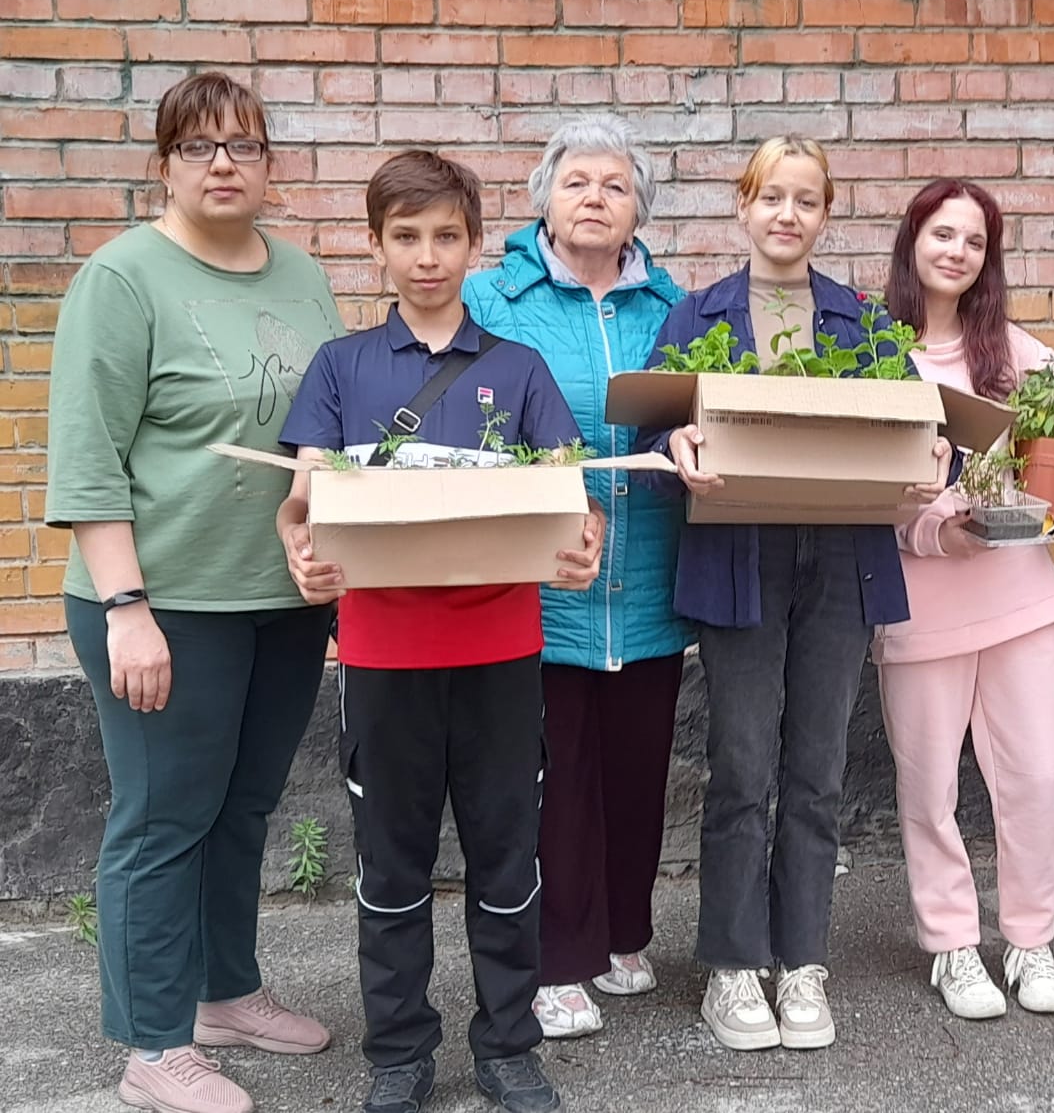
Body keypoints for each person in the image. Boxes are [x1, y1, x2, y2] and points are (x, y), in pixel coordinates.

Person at [277, 150, 603, 1113]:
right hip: (384, 659)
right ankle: (397, 1053)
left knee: (508, 860)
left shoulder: (519, 367)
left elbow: (572, 499)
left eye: (447, 237)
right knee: (392, 868)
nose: (428, 257)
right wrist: (301, 553)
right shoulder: (341, 367)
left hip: (502, 652)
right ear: (376, 247)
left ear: (473, 245)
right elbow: (302, 503)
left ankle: (508, 1044)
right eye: (406, 237)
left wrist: (586, 544)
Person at [44, 72, 344, 1113]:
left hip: (282, 596)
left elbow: (325, 433)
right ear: (164, 163)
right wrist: (126, 608)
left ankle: (225, 991)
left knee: (245, 804)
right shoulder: (123, 279)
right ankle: (151, 1041)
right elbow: (87, 458)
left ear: (270, 165)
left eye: (243, 145)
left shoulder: (303, 276)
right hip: (162, 599)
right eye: (198, 146)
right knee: (163, 816)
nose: (222, 163)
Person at [640, 135, 950, 1051]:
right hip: (739, 558)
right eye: (771, 196)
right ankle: (734, 967)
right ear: (743, 206)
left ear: (825, 214)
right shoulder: (696, 318)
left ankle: (803, 958)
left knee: (816, 772)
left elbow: (924, 423)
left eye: (806, 200)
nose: (787, 215)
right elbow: (656, 435)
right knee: (741, 768)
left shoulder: (860, 320)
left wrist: (943, 454)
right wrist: (674, 449)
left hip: (843, 563)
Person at [464, 116, 693, 1040]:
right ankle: (557, 960)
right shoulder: (495, 299)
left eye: (615, 184)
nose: (596, 197)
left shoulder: (674, 309)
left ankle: (624, 936)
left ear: (640, 208)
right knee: (553, 776)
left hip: (649, 578)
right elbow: (473, 417)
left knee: (639, 768)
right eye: (578, 182)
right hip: (543, 584)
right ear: (544, 199)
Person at [875, 179, 1054, 1020]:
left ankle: (1030, 939)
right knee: (929, 784)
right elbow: (871, 493)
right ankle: (951, 945)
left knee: (1035, 775)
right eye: (943, 234)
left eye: (974, 242)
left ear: (988, 260)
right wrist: (944, 529)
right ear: (913, 241)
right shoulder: (876, 352)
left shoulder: (1018, 355)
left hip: (1017, 598)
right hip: (919, 604)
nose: (956, 252)